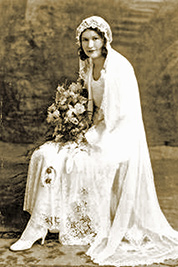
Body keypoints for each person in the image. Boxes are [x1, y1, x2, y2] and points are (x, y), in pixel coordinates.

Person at [10, 16, 178, 266]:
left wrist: (88, 133)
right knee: (45, 154)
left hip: (117, 136)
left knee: (71, 160)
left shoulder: (119, 68)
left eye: (95, 39)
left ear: (104, 40)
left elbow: (119, 116)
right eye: (85, 39)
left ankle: (48, 226)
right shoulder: (88, 64)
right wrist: (75, 122)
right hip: (95, 129)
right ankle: (40, 225)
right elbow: (89, 102)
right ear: (80, 42)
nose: (90, 44)